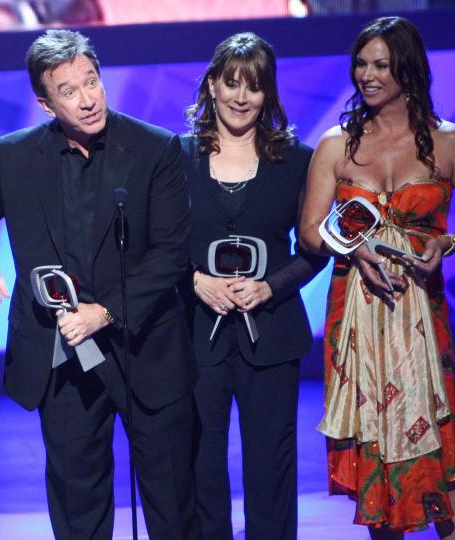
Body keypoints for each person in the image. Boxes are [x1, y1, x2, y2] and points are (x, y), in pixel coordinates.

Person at [0, 28, 199, 540]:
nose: (88, 99)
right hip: (61, 355)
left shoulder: (155, 148)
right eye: (70, 91)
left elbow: (172, 253)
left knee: (171, 503)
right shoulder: (16, 156)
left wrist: (105, 312)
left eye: (92, 82)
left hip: (146, 347)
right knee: (79, 505)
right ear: (45, 103)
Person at [299, 16, 455, 538]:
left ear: (407, 70)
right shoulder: (335, 145)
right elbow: (309, 232)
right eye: (361, 64)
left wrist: (446, 243)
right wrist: (356, 246)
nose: (367, 75)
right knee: (376, 442)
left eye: (381, 65)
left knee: (440, 441)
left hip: (422, 319)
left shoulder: (446, 142)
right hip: (358, 319)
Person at [180, 32, 325, 540]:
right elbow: (156, 246)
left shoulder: (298, 161)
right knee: (199, 466)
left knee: (271, 466)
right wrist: (195, 280)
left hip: (273, 334)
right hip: (195, 338)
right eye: (232, 82)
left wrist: (271, 286)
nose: (241, 97)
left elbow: (315, 249)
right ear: (212, 85)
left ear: (269, 94)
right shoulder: (175, 158)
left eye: (255, 86)